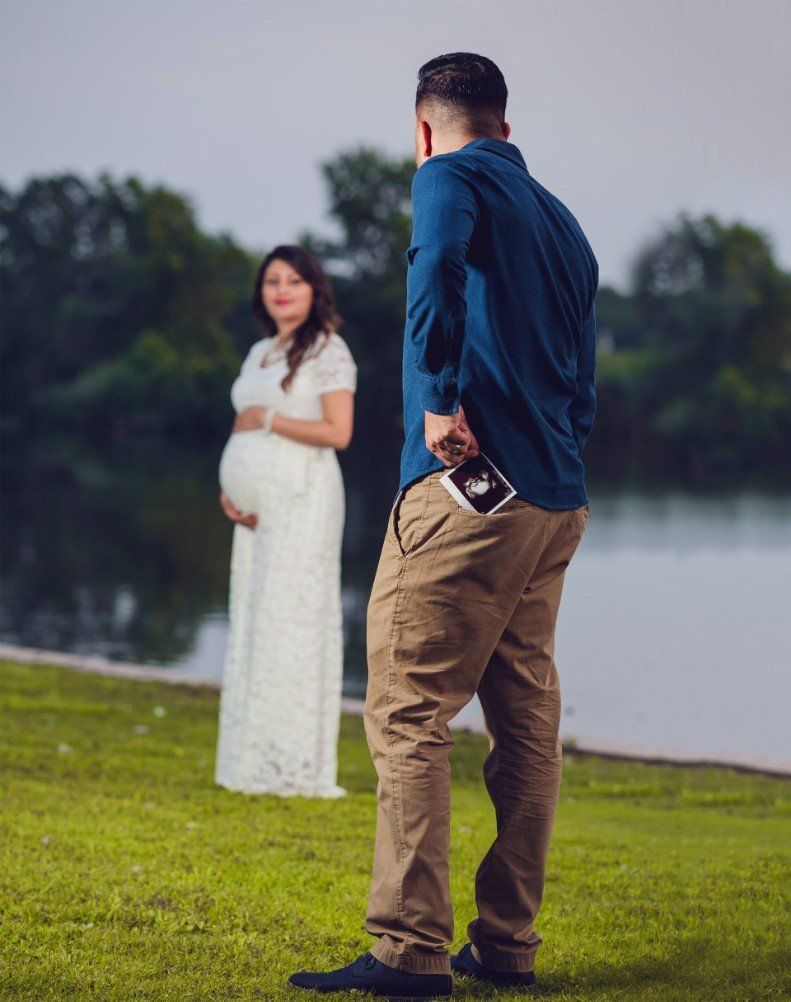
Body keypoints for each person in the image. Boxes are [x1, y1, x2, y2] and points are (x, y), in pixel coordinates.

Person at [289, 52, 598, 998]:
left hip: (468, 493)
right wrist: (558, 452)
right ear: (503, 122)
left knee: (408, 711)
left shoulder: (444, 177)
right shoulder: (561, 220)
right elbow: (581, 369)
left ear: (425, 127)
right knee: (526, 726)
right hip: (552, 501)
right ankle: (505, 946)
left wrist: (434, 398)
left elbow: (436, 271)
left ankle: (407, 950)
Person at [215, 245, 357, 798]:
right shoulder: (259, 352)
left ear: (313, 290)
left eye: (293, 281)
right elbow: (239, 428)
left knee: (294, 620)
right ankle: (256, 757)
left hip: (304, 501)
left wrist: (270, 419)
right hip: (254, 513)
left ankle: (296, 764)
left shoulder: (327, 349)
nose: (281, 290)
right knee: (256, 618)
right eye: (272, 281)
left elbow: (337, 433)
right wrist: (230, 492)